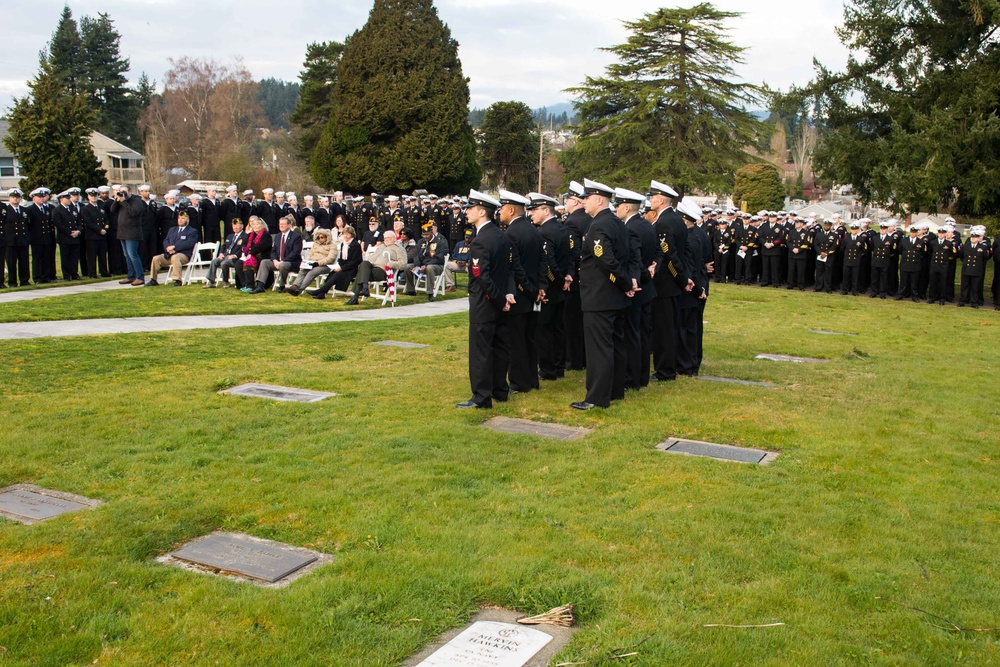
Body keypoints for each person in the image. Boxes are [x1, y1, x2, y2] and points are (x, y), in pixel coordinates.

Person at [571, 179, 639, 411]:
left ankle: (597, 397)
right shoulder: (618, 223)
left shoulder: (599, 225)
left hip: (600, 296)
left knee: (599, 348)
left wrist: (623, 282)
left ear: (599, 199)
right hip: (615, 296)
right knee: (615, 344)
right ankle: (615, 390)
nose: (583, 202)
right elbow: (630, 257)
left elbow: (606, 261)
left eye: (587, 198)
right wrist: (628, 282)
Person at [457, 190, 515, 409]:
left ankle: (481, 397)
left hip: (486, 302)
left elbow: (482, 277)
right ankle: (500, 390)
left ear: (482, 211)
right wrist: (507, 296)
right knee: (500, 347)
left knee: (481, 351)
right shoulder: (501, 235)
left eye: (471, 208)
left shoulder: (481, 241)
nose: (467, 212)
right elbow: (509, 270)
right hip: (500, 302)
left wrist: (500, 299)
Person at [500, 190, 545, 393]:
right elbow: (542, 262)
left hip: (521, 293)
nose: (500, 212)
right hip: (533, 292)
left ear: (511, 210)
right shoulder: (534, 230)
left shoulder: (511, 234)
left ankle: (519, 382)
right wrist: (540, 288)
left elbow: (515, 268)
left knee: (516, 340)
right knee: (530, 338)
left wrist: (528, 290)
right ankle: (532, 378)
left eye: (502, 208)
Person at [616, 187, 661, 390]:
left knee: (632, 334)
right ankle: (641, 376)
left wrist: (645, 273)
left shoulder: (631, 228)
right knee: (642, 334)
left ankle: (631, 378)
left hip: (637, 288)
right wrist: (653, 268)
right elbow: (657, 253)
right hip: (647, 288)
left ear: (626, 207)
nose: (616, 209)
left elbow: (635, 261)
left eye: (618, 205)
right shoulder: (647, 224)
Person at [648, 180, 690, 382]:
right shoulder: (676, 219)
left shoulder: (665, 222)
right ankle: (667, 367)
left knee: (663, 330)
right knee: (668, 327)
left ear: (662, 199)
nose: (650, 200)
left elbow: (669, 256)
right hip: (672, 283)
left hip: (665, 284)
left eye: (653, 197)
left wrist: (681, 279)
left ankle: (665, 370)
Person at [530, 193, 572, 381]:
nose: (531, 214)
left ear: (546, 210)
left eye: (534, 210)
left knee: (545, 329)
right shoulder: (562, 228)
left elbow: (548, 264)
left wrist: (559, 281)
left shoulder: (545, 232)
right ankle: (559, 366)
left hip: (551, 287)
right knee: (558, 328)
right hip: (560, 285)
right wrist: (567, 277)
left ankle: (548, 369)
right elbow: (571, 256)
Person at [561, 181, 592, 371]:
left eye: (568, 199)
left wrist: (570, 275)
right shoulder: (588, 218)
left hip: (576, 280)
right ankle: (583, 357)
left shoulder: (573, 221)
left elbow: (573, 252)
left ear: (575, 201)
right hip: (586, 279)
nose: (565, 202)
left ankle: (573, 360)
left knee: (572, 323)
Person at [346, 230, 408, 304]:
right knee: (364, 264)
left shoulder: (399, 248)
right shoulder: (381, 246)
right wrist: (367, 266)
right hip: (371, 267)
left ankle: (356, 296)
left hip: (383, 270)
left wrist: (391, 263)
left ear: (394, 238)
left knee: (361, 273)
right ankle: (364, 287)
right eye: (385, 238)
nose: (386, 239)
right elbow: (371, 259)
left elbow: (403, 264)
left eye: (389, 238)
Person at [249, 215, 303, 293]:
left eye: (283, 224)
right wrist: (274, 260)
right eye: (280, 224)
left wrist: (283, 260)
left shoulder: (296, 237)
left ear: (289, 225)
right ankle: (260, 286)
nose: (281, 226)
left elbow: (296, 252)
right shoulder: (278, 236)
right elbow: (273, 251)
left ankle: (282, 286)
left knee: (283, 265)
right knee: (264, 262)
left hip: (291, 262)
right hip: (277, 261)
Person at [147, 211, 199, 286]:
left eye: (183, 218)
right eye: (179, 218)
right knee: (156, 258)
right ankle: (153, 280)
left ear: (187, 220)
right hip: (169, 254)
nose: (180, 220)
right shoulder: (172, 230)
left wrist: (175, 247)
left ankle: (177, 280)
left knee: (176, 257)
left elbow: (189, 244)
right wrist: (168, 248)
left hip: (183, 255)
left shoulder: (192, 231)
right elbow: (166, 240)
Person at [310, 225, 361, 299]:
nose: (346, 236)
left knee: (337, 275)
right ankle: (322, 293)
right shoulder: (343, 244)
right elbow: (341, 258)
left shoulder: (356, 245)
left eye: (348, 234)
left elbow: (355, 261)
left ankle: (321, 290)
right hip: (343, 266)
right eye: (344, 234)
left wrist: (342, 268)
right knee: (332, 274)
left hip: (352, 269)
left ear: (352, 235)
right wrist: (338, 266)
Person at [286, 227, 339, 295]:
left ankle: (299, 290)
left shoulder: (332, 246)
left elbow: (330, 258)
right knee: (303, 270)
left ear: (327, 237)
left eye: (322, 237)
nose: (320, 239)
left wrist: (318, 263)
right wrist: (307, 262)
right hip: (313, 263)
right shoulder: (315, 244)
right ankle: (295, 286)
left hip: (326, 265)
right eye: (318, 238)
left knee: (312, 272)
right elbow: (310, 254)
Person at [405, 222, 447, 300]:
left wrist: (426, 265)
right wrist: (417, 265)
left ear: (432, 232)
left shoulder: (440, 242)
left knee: (429, 268)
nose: (425, 237)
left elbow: (439, 257)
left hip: (436, 265)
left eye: (427, 235)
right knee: (408, 267)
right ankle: (410, 290)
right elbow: (416, 254)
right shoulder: (421, 241)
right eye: (423, 235)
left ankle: (430, 292)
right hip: (422, 264)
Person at [204, 218, 248, 288]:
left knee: (224, 263)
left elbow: (243, 248)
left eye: (237, 225)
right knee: (214, 261)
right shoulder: (230, 236)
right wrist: (221, 253)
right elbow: (223, 246)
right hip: (225, 256)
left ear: (242, 226)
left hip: (235, 258)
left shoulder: (245, 236)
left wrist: (235, 255)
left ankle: (226, 282)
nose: (235, 227)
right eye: (233, 225)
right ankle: (211, 281)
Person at [27, 188, 56, 284]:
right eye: (39, 197)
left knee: (46, 258)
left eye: (43, 197)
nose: (42, 199)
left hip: (46, 237)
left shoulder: (47, 209)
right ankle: (37, 277)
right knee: (37, 259)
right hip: (36, 238)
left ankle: (45, 276)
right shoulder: (30, 210)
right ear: (33, 198)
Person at [3, 189, 31, 287]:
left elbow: (28, 224)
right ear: (9, 198)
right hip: (10, 241)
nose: (15, 199)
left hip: (22, 240)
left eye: (17, 197)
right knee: (11, 263)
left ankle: (24, 280)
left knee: (24, 262)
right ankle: (12, 282)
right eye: (13, 197)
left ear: (20, 198)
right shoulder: (5, 210)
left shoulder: (24, 210)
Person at [236, 216, 272, 291]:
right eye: (254, 225)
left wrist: (249, 250)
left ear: (262, 225)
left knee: (249, 263)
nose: (255, 226)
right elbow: (244, 244)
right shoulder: (250, 235)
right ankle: (244, 284)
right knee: (239, 264)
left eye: (257, 224)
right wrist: (244, 248)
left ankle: (250, 286)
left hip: (262, 256)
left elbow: (261, 246)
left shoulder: (266, 235)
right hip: (250, 255)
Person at [80, 188, 110, 278]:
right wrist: (99, 230)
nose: (94, 197)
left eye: (95, 196)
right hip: (92, 236)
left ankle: (104, 272)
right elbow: (88, 222)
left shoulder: (101, 207)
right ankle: (92, 273)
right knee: (92, 256)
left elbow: (106, 220)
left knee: (102, 255)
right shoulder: (85, 208)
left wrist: (106, 229)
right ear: (88, 197)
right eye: (92, 196)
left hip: (102, 235)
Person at [958, 226, 990, 308]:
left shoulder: (983, 247)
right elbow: (961, 256)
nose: (973, 238)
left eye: (975, 237)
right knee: (964, 286)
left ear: (979, 238)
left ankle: (974, 302)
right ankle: (962, 301)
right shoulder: (966, 246)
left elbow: (984, 258)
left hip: (976, 270)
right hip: (966, 269)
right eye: (972, 237)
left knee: (974, 287)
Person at [896, 224, 926, 300]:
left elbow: (923, 253)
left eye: (914, 232)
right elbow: (899, 250)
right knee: (903, 281)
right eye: (911, 232)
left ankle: (914, 296)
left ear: (916, 233)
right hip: (905, 263)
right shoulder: (904, 240)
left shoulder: (921, 242)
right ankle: (900, 294)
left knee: (914, 282)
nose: (912, 233)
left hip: (915, 264)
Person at [840, 221, 867, 296]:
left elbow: (863, 250)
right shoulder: (846, 239)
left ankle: (854, 290)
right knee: (846, 276)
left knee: (855, 276)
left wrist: (858, 256)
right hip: (847, 260)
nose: (854, 231)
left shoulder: (861, 239)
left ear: (858, 230)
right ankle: (845, 290)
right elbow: (842, 249)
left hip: (856, 261)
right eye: (852, 229)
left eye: (855, 229)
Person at [785, 216, 812, 290]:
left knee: (801, 271)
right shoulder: (791, 232)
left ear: (802, 224)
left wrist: (799, 249)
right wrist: (793, 248)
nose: (797, 224)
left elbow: (807, 243)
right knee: (791, 270)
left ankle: (801, 284)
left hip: (801, 254)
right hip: (792, 254)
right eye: (796, 222)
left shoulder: (806, 232)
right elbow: (788, 242)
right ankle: (790, 284)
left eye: (798, 223)